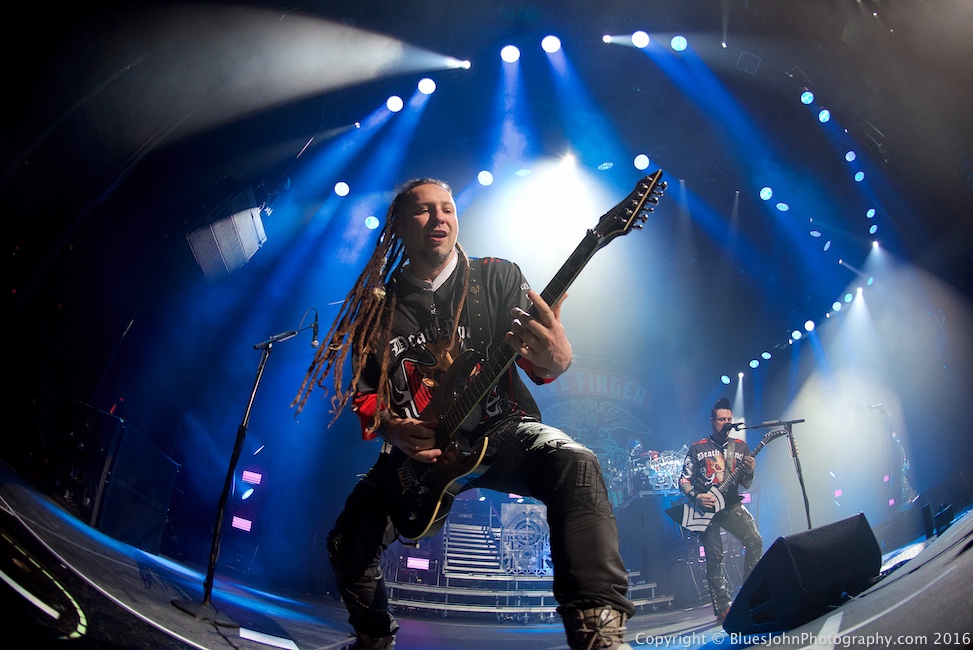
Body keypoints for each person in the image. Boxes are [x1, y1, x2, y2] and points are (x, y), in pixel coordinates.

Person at [293, 178, 635, 649]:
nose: (439, 219)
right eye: (424, 210)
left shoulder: (497, 276)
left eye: (447, 209)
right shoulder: (376, 309)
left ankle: (599, 634)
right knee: (346, 543)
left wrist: (558, 358)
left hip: (503, 429)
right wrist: (391, 427)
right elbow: (366, 393)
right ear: (397, 225)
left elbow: (544, 362)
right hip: (419, 457)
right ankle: (372, 639)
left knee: (576, 463)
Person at [677, 397, 763, 622]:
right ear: (712, 421)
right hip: (706, 509)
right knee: (715, 557)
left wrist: (750, 471)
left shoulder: (741, 447)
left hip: (732, 506)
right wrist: (696, 495)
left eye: (729, 419)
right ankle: (723, 607)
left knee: (755, 540)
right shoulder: (698, 448)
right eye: (721, 419)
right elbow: (683, 479)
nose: (725, 423)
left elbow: (746, 483)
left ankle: (751, 593)